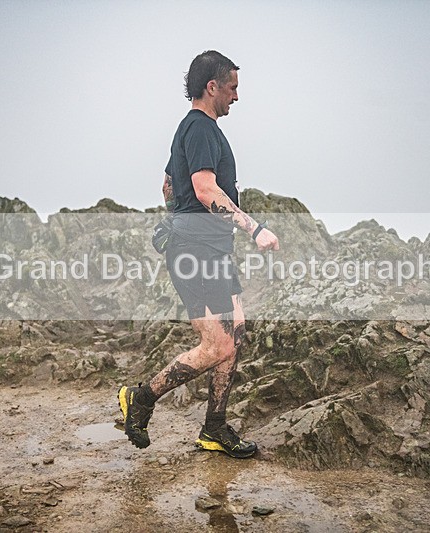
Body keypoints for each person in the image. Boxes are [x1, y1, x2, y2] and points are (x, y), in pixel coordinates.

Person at [118, 50, 280, 458]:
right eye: (232, 88)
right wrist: (254, 227)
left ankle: (214, 428)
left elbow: (168, 186)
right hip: (197, 252)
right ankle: (142, 397)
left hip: (209, 248)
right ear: (212, 87)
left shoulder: (192, 130)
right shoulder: (201, 128)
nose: (236, 97)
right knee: (217, 344)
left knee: (234, 333)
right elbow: (205, 190)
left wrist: (177, 218)